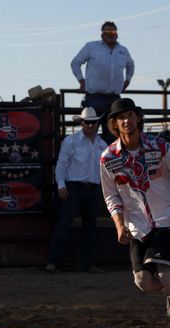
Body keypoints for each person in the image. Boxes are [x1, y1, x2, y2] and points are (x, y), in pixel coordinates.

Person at [100, 98, 170, 328]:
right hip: (137, 225)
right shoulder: (108, 157)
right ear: (115, 124)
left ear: (137, 118)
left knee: (165, 273)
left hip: (167, 218)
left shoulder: (161, 147)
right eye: (121, 117)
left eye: (130, 115)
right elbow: (111, 196)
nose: (126, 120)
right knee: (142, 282)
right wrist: (119, 225)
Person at [45, 107, 108, 274]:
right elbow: (61, 165)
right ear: (81, 123)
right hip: (74, 187)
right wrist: (61, 185)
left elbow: (107, 169)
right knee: (66, 224)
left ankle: (82, 263)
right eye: (87, 122)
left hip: (92, 188)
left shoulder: (102, 145)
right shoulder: (72, 141)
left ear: (96, 123)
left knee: (88, 227)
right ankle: (56, 261)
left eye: (92, 122)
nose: (90, 125)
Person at [71, 21, 135, 145]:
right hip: (94, 97)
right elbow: (75, 63)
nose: (110, 34)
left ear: (116, 34)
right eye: (107, 32)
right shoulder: (91, 47)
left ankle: (110, 162)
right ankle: (90, 163)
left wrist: (127, 80)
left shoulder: (123, 50)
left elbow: (131, 65)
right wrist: (81, 80)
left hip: (114, 99)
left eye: (113, 32)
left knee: (112, 136)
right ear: (102, 35)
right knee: (89, 133)